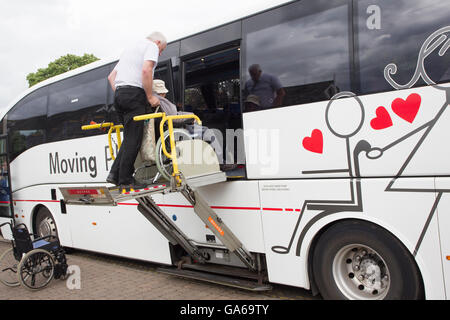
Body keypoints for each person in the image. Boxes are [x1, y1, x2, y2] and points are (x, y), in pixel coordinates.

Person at [106, 31, 167, 189]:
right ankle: (125, 180)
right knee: (134, 139)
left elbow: (111, 77)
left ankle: (114, 174)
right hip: (134, 94)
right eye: (162, 50)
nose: (160, 53)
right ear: (158, 42)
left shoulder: (131, 49)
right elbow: (146, 70)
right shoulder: (151, 46)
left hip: (119, 95)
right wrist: (149, 96)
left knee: (129, 138)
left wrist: (122, 94)